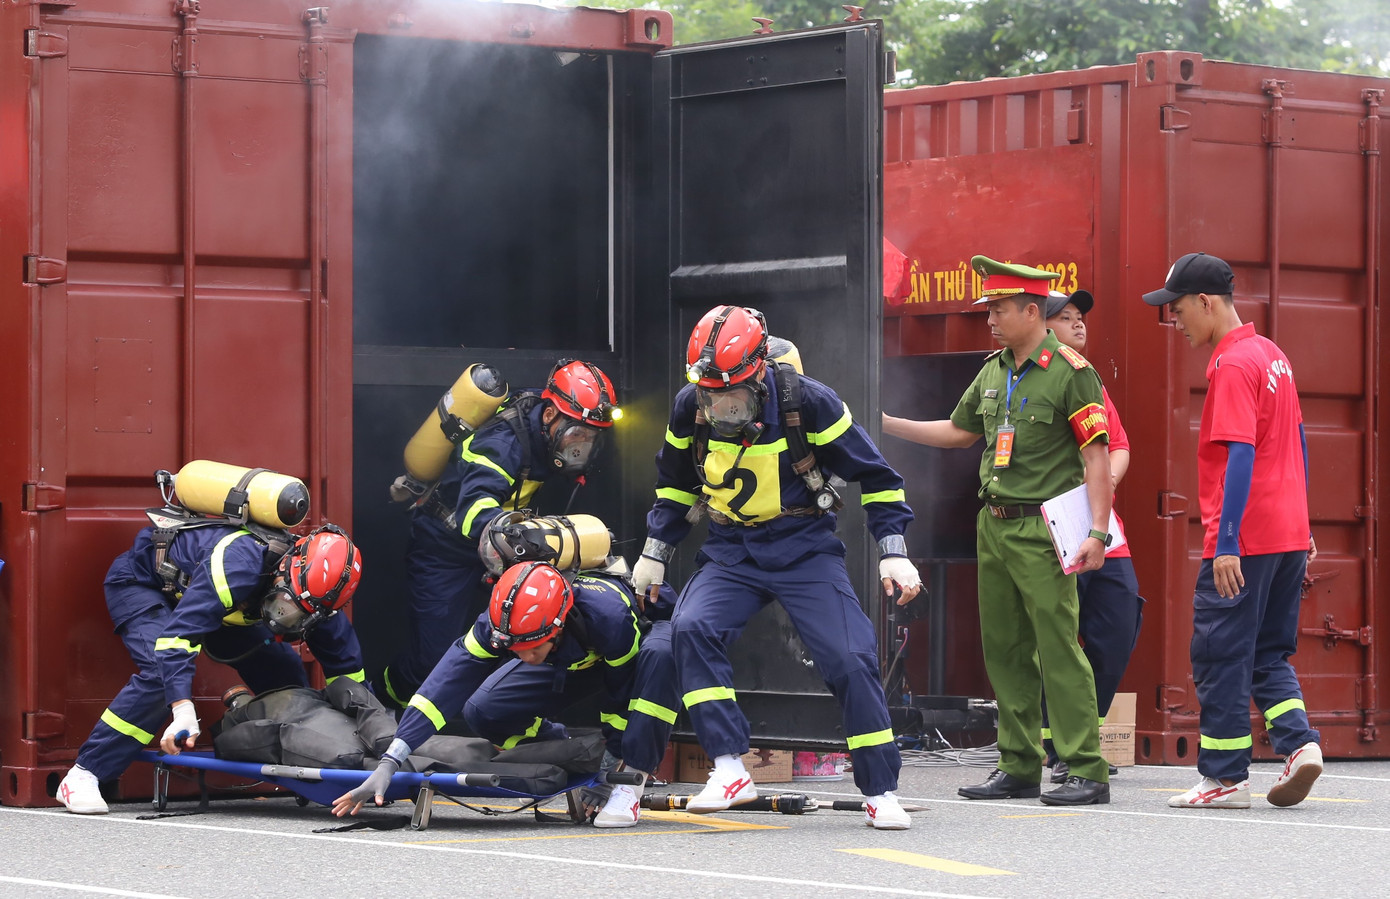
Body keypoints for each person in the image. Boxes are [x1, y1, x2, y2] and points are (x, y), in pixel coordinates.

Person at [631, 304, 923, 831]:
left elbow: (879, 478)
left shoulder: (809, 401)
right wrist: (655, 551)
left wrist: (894, 549)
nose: (721, 405)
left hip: (803, 546)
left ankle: (881, 790)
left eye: (733, 393)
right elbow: (675, 483)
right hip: (730, 549)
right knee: (691, 629)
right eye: (710, 393)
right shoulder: (688, 407)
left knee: (852, 658)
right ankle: (727, 768)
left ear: (759, 373)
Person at [881, 256, 1112, 806]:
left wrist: (1098, 533)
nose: (989, 318)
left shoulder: (1072, 373)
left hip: (1044, 527)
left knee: (1057, 646)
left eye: (999, 309)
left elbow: (1097, 460)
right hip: (995, 524)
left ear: (1032, 311)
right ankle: (1018, 764)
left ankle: (1085, 767)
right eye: (989, 308)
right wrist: (884, 422)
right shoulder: (993, 370)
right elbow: (960, 433)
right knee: (1004, 649)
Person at [1142, 252, 1322, 809]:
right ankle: (1300, 746)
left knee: (1219, 653)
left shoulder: (1232, 365)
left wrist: (1224, 544)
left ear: (1206, 302)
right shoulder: (1273, 356)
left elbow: (1239, 455)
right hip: (1288, 533)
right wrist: (1305, 521)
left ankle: (1223, 777)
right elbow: (1298, 440)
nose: (1174, 322)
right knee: (1268, 653)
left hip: (1245, 539)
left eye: (1176, 310)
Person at [334, 559, 679, 829]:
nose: (522, 656)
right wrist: (390, 761)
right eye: (514, 648)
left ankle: (631, 780)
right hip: (571, 660)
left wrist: (607, 777)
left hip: (635, 647)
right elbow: (441, 687)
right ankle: (569, 749)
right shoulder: (500, 621)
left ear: (558, 626)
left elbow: (620, 701)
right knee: (483, 710)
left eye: (530, 648)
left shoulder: (610, 617)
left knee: (659, 659)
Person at [58, 522, 364, 814]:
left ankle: (306, 773)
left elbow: (350, 675)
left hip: (224, 608)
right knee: (159, 675)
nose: (286, 617)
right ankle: (85, 774)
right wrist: (182, 709)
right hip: (146, 584)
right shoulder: (239, 565)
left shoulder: (321, 602)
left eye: (299, 615)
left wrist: (367, 749)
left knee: (285, 673)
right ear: (285, 571)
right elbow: (177, 638)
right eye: (287, 606)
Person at [376, 359, 621, 710]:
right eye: (577, 433)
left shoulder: (547, 430)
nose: (582, 444)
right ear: (551, 416)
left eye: (591, 436)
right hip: (445, 551)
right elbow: (474, 513)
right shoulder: (502, 442)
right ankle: (379, 700)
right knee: (430, 661)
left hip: (505, 551)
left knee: (534, 636)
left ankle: (506, 725)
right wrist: (525, 535)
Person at [1040, 289, 1145, 783]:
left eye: (1081, 317)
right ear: (1040, 327)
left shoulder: (1090, 381)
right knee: (1057, 638)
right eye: (1065, 317)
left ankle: (1080, 736)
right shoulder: (1030, 382)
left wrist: (1100, 486)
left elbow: (1118, 448)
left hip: (1102, 530)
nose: (1078, 325)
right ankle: (1060, 747)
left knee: (1118, 625)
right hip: (1051, 530)